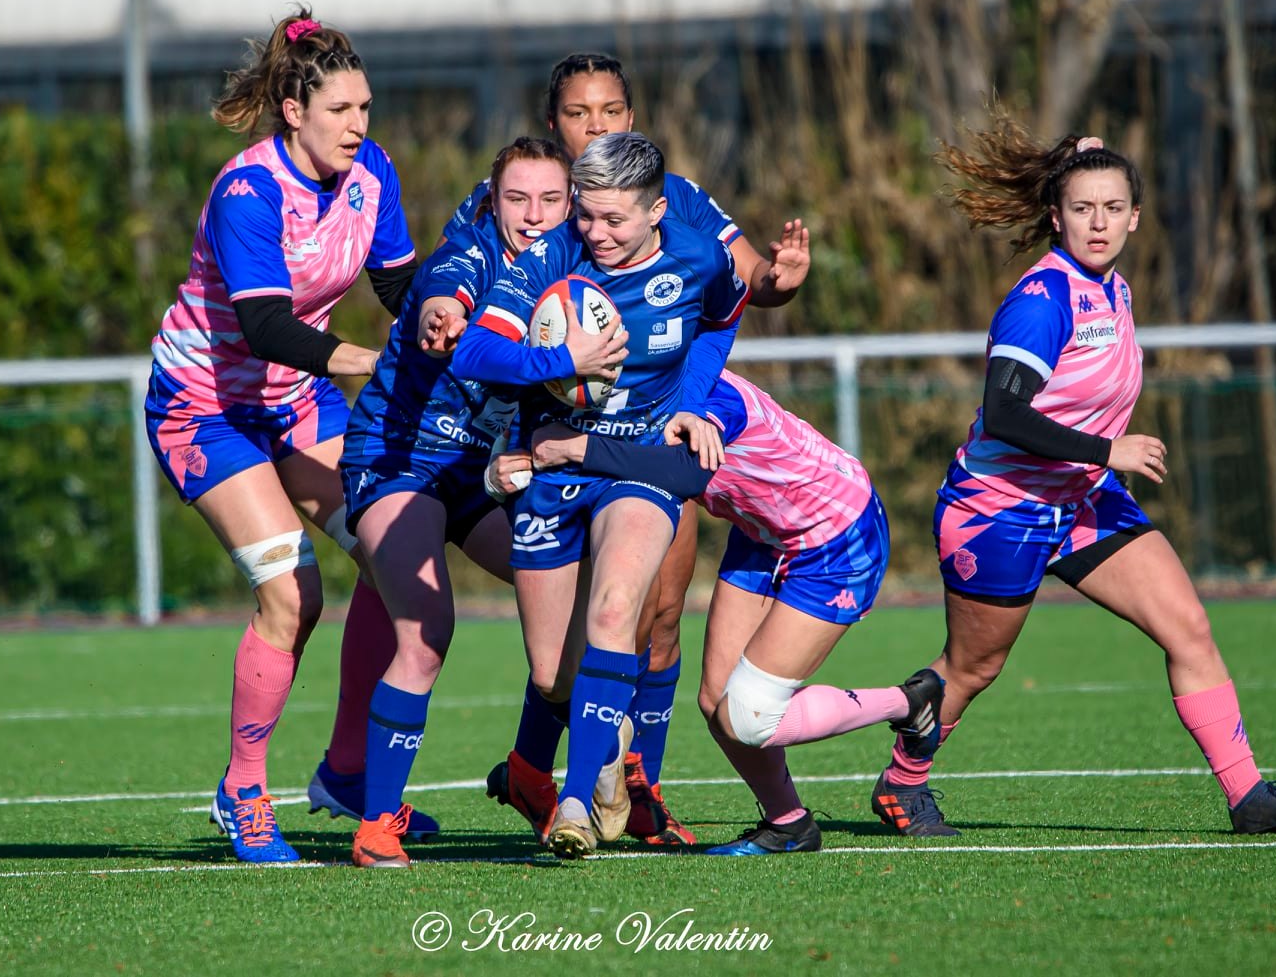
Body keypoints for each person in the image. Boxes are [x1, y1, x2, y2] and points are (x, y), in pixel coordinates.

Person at [866, 115, 1276, 838]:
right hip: (1000, 508)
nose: (1099, 222)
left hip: (1080, 499)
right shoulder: (1042, 300)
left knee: (1188, 627)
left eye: (1113, 208)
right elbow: (1002, 412)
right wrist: (1104, 451)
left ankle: (1248, 794)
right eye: (1082, 208)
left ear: (1136, 218)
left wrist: (1084, 157)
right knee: (970, 670)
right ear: (1056, 217)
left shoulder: (1108, 285)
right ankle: (902, 783)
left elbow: (1092, 178)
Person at [459, 52, 811, 847]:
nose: (595, 232)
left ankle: (578, 803)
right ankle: (599, 745)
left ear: (657, 211)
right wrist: (565, 362)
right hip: (552, 464)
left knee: (623, 608)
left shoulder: (695, 249)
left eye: (613, 219)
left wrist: (688, 406)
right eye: (587, 215)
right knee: (553, 674)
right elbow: (477, 352)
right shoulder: (556, 251)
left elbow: (726, 312)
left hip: (640, 465)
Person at [144, 7, 433, 863]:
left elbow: (399, 285)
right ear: (293, 110)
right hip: (205, 406)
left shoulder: (370, 172)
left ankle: (349, 775)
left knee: (391, 544)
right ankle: (244, 789)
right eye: (342, 110)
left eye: (366, 108)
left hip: (293, 399)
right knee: (294, 594)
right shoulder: (248, 190)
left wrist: (457, 321)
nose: (359, 125)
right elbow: (267, 326)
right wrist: (369, 360)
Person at [335, 137, 624, 868]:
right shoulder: (470, 253)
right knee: (428, 629)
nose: (533, 215)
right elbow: (446, 295)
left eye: (550, 200)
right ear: (491, 200)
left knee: (580, 602)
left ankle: (532, 770)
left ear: (573, 204)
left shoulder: (573, 262)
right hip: (397, 458)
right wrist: (441, 317)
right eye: (516, 198)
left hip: (477, 471)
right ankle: (374, 823)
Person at [521, 368, 945, 855]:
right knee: (717, 702)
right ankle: (789, 823)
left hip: (836, 535)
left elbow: (682, 472)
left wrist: (575, 449)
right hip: (765, 531)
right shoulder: (649, 383)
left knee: (748, 718)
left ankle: (909, 704)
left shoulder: (706, 394)